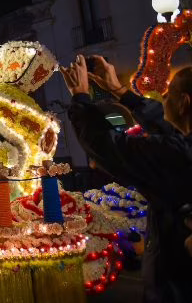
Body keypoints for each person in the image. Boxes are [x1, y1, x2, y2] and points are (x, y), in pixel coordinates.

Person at [61, 55, 192, 303]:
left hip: (177, 287)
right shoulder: (181, 146)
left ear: (184, 103)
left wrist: (80, 97)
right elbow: (168, 129)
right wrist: (121, 91)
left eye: (169, 96)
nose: (163, 100)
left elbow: (107, 146)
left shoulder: (176, 155)